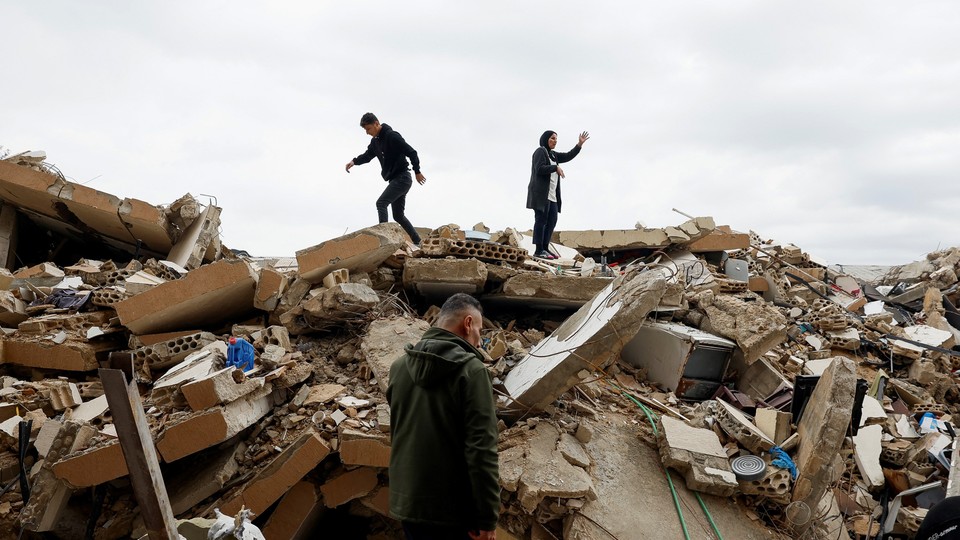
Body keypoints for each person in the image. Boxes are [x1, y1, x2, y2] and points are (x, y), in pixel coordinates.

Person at [387, 293, 499, 540]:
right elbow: (481, 450)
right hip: (452, 513)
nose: (480, 340)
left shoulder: (398, 368)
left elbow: (399, 432)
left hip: (407, 504)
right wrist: (487, 516)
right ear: (468, 324)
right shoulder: (472, 372)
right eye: (480, 330)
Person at [345, 112, 425, 244]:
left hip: (403, 177)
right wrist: (354, 161)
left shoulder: (392, 136)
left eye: (368, 129)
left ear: (376, 123)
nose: (367, 133)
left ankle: (386, 240)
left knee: (381, 203)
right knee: (398, 215)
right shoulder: (375, 142)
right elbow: (367, 155)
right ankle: (418, 242)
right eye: (365, 130)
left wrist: (417, 171)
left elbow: (412, 152)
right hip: (395, 180)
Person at [525, 129, 589, 259]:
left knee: (552, 221)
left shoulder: (553, 155)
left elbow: (568, 156)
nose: (555, 141)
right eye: (552, 138)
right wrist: (555, 168)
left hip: (552, 195)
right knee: (541, 220)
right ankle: (538, 250)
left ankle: (545, 248)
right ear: (546, 139)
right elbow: (539, 169)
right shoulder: (540, 152)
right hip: (541, 194)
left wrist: (579, 145)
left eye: (556, 139)